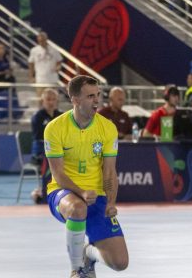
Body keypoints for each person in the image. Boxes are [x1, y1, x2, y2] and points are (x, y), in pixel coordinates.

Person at [44, 75, 128, 277]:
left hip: (97, 196)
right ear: (75, 99)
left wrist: (110, 202)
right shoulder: (54, 128)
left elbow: (109, 171)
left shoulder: (107, 128)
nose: (97, 100)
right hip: (62, 193)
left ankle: (87, 254)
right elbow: (58, 173)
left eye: (98, 95)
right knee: (77, 207)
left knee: (120, 263)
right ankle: (77, 269)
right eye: (90, 96)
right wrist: (81, 192)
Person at [30, 88, 62, 204]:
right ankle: (45, 192)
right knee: (50, 158)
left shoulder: (61, 116)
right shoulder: (37, 117)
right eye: (48, 99)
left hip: (59, 150)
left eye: (54, 99)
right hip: (40, 152)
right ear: (42, 101)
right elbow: (39, 137)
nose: (51, 102)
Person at [28, 31, 62, 97]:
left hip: (52, 78)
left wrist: (58, 67)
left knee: (54, 97)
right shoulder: (34, 50)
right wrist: (31, 76)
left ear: (46, 39)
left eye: (43, 40)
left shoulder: (54, 50)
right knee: (40, 98)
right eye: (40, 41)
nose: (41, 42)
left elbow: (59, 61)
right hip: (40, 79)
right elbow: (31, 64)